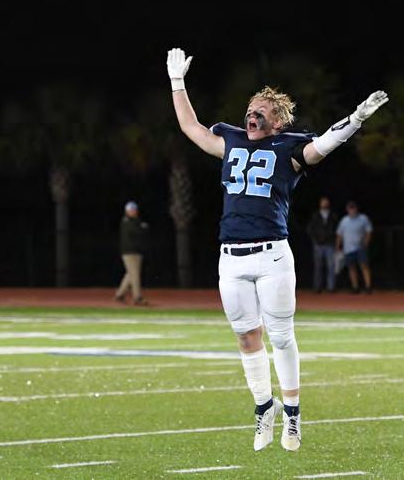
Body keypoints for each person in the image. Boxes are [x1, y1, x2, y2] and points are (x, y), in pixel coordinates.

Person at [166, 47, 388, 452]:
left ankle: (293, 414)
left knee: (282, 336)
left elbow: (322, 146)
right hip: (230, 258)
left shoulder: (288, 148)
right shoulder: (231, 140)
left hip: (272, 256)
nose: (252, 115)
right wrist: (177, 82)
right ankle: (263, 407)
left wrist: (356, 120)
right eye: (251, 109)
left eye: (262, 111)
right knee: (246, 337)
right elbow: (191, 127)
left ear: (280, 121)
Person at [114, 201, 150, 306]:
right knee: (135, 275)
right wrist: (143, 227)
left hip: (136, 251)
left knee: (131, 274)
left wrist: (142, 227)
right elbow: (137, 231)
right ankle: (137, 298)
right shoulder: (127, 221)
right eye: (131, 210)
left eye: (134, 209)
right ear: (127, 211)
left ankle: (119, 294)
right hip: (130, 252)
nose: (134, 211)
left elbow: (142, 230)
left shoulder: (135, 221)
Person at [336, 200, 374, 294]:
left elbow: (369, 231)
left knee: (364, 266)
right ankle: (355, 287)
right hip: (348, 248)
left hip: (360, 247)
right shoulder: (344, 220)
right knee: (351, 268)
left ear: (357, 209)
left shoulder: (363, 218)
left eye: (353, 208)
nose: (352, 210)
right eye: (350, 208)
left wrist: (366, 242)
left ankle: (368, 287)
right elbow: (339, 234)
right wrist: (338, 246)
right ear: (347, 209)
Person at [307, 196, 339, 292]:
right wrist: (315, 240)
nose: (324, 204)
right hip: (318, 245)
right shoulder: (315, 215)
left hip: (330, 244)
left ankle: (331, 288)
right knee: (318, 267)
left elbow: (337, 229)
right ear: (320, 203)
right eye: (323, 202)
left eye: (326, 202)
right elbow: (310, 229)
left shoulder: (333, 215)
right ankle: (317, 287)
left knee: (331, 266)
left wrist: (333, 239)